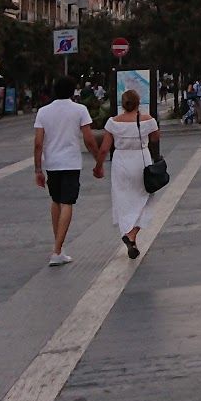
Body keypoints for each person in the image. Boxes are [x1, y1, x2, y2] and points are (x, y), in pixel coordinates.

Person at [33, 77, 100, 266]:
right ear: (73, 92)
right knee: (68, 202)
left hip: (52, 163)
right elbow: (88, 138)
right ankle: (56, 251)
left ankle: (59, 247)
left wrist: (38, 169)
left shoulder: (43, 112)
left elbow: (38, 143)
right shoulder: (80, 110)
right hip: (70, 162)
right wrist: (98, 161)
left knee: (56, 201)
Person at [97, 88, 161, 260]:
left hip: (121, 163)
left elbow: (104, 148)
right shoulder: (148, 120)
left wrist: (98, 167)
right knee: (146, 198)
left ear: (122, 104)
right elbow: (155, 138)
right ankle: (132, 235)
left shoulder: (113, 122)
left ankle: (128, 233)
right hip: (141, 161)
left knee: (123, 200)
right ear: (138, 103)